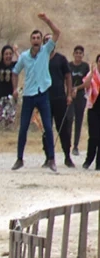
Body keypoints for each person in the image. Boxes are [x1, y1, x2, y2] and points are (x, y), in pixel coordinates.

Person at [11, 13, 61, 172]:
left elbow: (57, 33)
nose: (36, 40)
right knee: (23, 127)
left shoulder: (46, 51)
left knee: (47, 126)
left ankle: (51, 159)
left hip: (43, 94)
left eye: (38, 38)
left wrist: (47, 20)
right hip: (28, 95)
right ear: (30, 40)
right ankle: (19, 159)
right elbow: (15, 71)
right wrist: (14, 89)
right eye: (33, 38)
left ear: (41, 40)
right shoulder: (24, 56)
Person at [41, 33, 74, 167]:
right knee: (46, 129)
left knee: (63, 128)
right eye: (46, 40)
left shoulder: (61, 59)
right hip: (44, 98)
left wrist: (69, 94)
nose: (49, 42)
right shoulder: (41, 59)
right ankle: (48, 157)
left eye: (50, 40)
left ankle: (67, 156)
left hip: (59, 98)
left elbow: (68, 76)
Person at [73, 54, 100, 169]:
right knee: (93, 136)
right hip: (93, 108)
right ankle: (89, 159)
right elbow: (87, 85)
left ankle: (99, 163)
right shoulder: (93, 74)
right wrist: (92, 72)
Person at [69, 45, 91, 156]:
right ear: (73, 54)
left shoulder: (85, 67)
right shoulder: (69, 66)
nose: (78, 55)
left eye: (80, 53)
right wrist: (69, 91)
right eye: (76, 52)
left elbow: (87, 82)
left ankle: (76, 146)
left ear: (82, 55)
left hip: (80, 95)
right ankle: (67, 144)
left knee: (78, 120)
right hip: (70, 96)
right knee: (69, 119)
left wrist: (77, 88)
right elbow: (66, 79)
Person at [0, 45, 18, 125]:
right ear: (3, 55)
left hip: (10, 95)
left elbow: (23, 62)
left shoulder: (15, 65)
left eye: (10, 54)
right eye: (6, 54)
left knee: (9, 120)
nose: (8, 56)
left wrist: (16, 52)